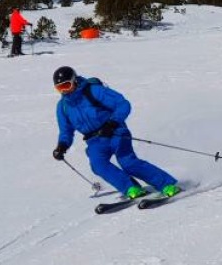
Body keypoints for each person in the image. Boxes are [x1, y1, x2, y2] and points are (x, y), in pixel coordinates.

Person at [51, 66, 181, 200]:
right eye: (60, 88)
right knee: (98, 165)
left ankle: (167, 184)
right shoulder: (63, 107)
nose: (64, 91)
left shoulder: (93, 91)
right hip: (94, 141)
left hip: (115, 132)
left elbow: (123, 104)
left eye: (66, 85)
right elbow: (65, 130)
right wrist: (62, 146)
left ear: (74, 81)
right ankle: (131, 187)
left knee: (128, 163)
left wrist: (112, 123)